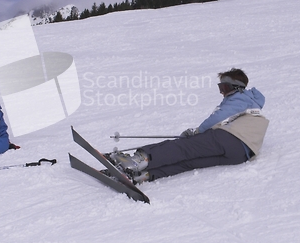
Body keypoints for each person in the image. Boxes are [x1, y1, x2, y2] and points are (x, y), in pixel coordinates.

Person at [111, 68, 269, 184]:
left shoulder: (241, 97)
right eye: (220, 88)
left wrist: (198, 132)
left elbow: (219, 117)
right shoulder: (251, 105)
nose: (222, 92)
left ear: (236, 87)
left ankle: (137, 161)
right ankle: (144, 175)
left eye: (225, 88)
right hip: (240, 154)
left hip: (230, 139)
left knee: (183, 147)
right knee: (189, 161)